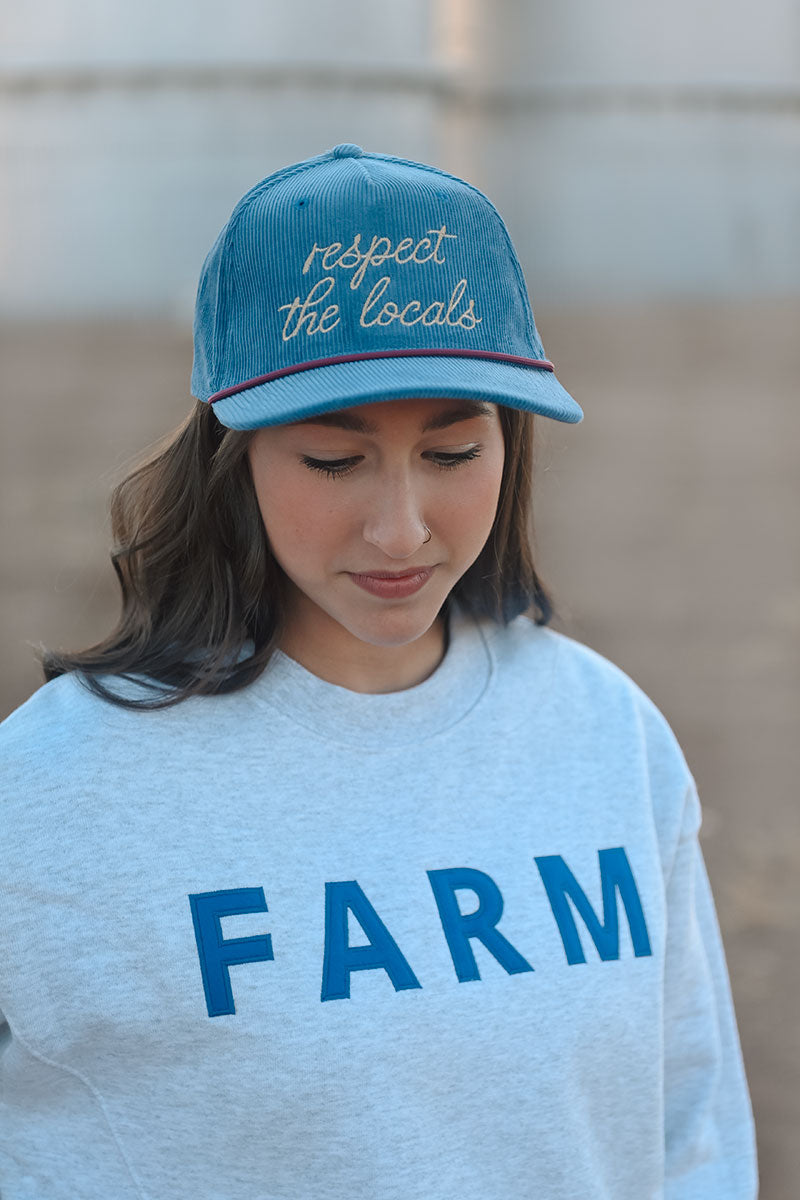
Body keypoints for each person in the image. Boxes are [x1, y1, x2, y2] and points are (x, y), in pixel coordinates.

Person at [0, 143, 758, 1199]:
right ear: (233, 454)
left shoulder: (604, 736)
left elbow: (690, 1136)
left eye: (452, 456)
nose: (400, 530)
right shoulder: (46, 791)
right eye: (332, 460)